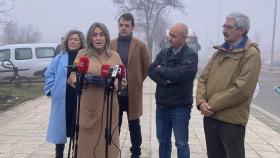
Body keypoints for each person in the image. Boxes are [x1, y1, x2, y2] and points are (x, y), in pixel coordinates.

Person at [196, 12, 261, 158]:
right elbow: (203, 79)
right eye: (224, 26)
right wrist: (201, 102)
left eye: (229, 27)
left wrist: (211, 105)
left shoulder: (251, 54)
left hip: (231, 122)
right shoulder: (220, 51)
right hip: (211, 118)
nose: (225, 30)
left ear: (242, 30)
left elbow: (242, 90)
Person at [68, 22, 126, 158]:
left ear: (106, 37)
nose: (98, 38)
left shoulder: (115, 56)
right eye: (95, 35)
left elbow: (123, 81)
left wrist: (109, 82)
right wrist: (83, 79)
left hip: (109, 110)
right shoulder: (82, 54)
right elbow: (72, 77)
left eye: (101, 35)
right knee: (86, 149)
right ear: (90, 38)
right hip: (88, 109)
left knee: (107, 148)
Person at [148, 23, 198, 158]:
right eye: (169, 35)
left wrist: (161, 69)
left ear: (184, 38)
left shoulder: (191, 56)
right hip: (162, 105)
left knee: (181, 143)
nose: (170, 38)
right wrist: (164, 81)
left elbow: (179, 74)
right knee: (163, 141)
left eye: (174, 36)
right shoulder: (164, 53)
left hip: (180, 108)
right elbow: (150, 70)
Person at [110, 13, 150, 158]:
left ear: (132, 27)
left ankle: (136, 152)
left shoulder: (140, 45)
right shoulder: (111, 44)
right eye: (121, 25)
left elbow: (146, 67)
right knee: (115, 124)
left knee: (134, 124)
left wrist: (138, 80)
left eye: (127, 25)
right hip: (115, 92)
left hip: (132, 93)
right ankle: (113, 150)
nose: (123, 28)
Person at [44, 30, 86, 158]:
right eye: (71, 39)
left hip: (78, 97)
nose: (73, 41)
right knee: (60, 132)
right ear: (66, 41)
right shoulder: (59, 57)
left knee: (77, 130)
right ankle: (59, 155)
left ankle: (76, 154)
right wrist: (51, 89)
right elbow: (49, 73)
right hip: (62, 98)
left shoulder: (84, 58)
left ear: (81, 42)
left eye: (76, 39)